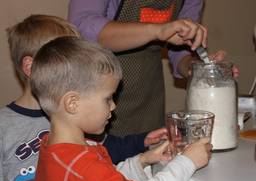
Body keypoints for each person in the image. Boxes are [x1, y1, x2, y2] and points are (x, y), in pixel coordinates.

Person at [0, 14, 167, 181]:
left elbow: (107, 148)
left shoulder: (77, 118)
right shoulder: (5, 125)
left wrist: (142, 141)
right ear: (31, 67)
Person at [31, 36, 212, 181]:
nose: (113, 106)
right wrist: (188, 162)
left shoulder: (55, 148)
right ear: (73, 103)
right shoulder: (82, 163)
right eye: (107, 98)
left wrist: (142, 161)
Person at [68, 0, 226, 137]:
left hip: (148, 100)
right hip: (94, 98)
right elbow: (82, 29)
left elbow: (181, 49)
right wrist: (157, 31)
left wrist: (195, 68)